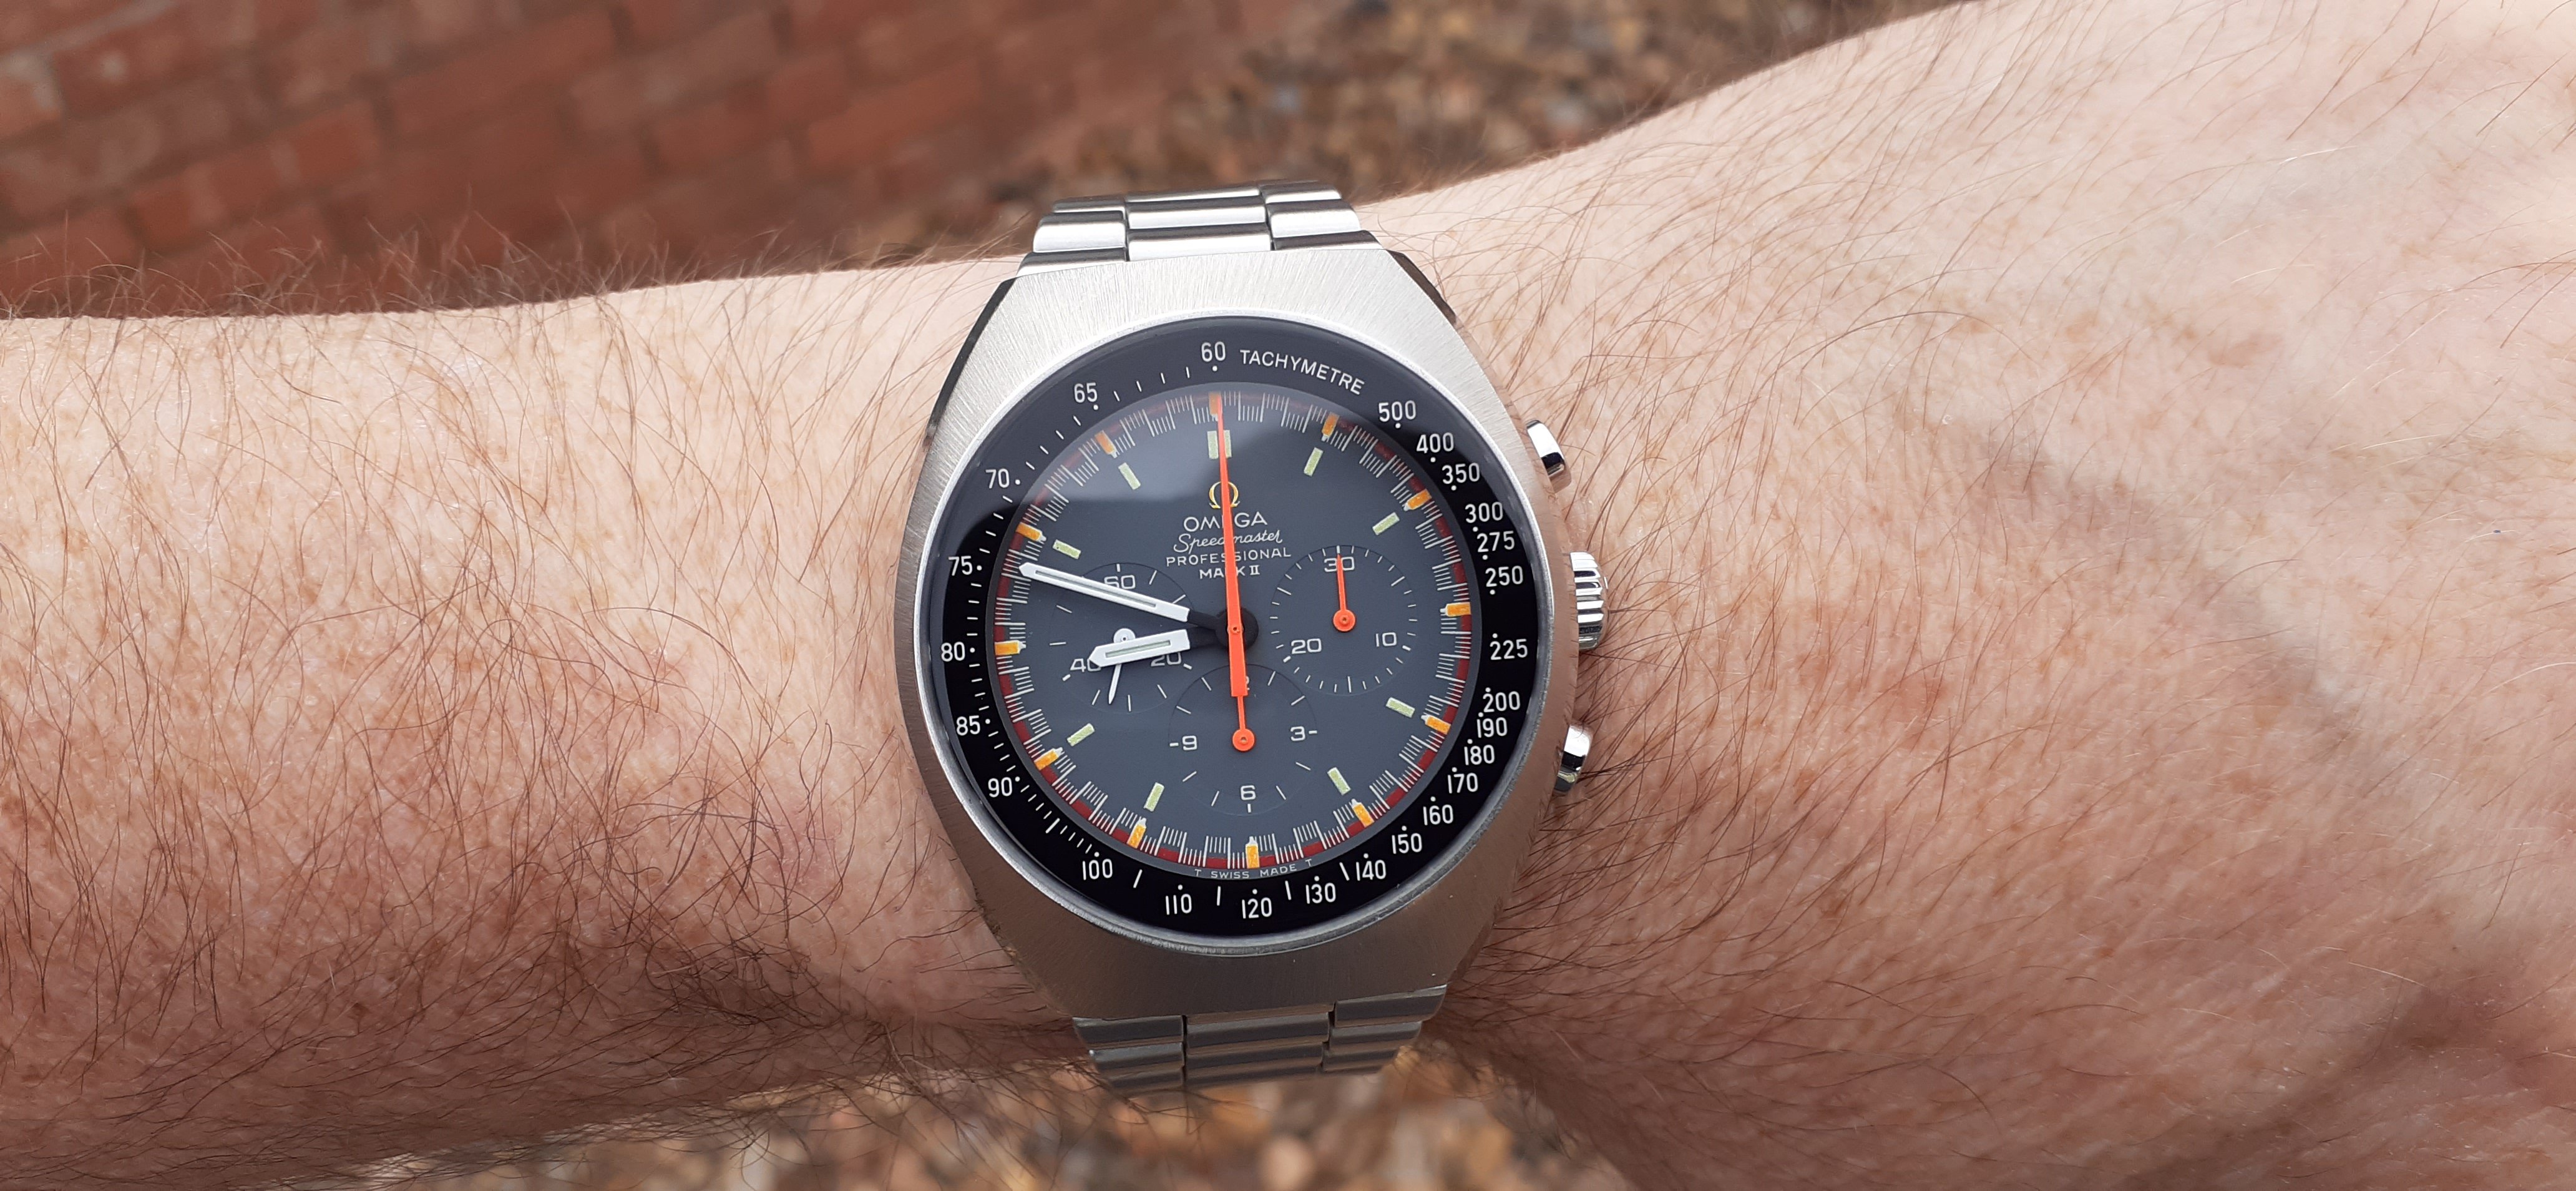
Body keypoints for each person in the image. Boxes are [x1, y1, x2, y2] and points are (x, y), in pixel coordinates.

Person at [6, 0, 2572, 1185]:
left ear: (1542, 584)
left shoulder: (1462, 591)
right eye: (1181, 629)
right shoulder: (1160, 612)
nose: (1238, 641)